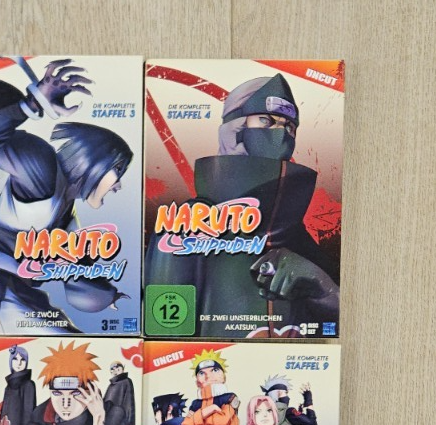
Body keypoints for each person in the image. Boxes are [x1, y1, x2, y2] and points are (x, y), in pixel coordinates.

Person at [145, 73, 338, 337]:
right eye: (266, 120)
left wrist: (323, 288)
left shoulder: (294, 231)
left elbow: (338, 321)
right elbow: (164, 330)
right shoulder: (186, 223)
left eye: (289, 126)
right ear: (236, 128)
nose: (281, 133)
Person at [0, 61, 134, 332]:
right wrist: (32, 104)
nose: (118, 185)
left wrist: (110, 296)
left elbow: (79, 283)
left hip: (12, 293)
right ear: (94, 161)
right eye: (117, 171)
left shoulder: (67, 215)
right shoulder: (42, 169)